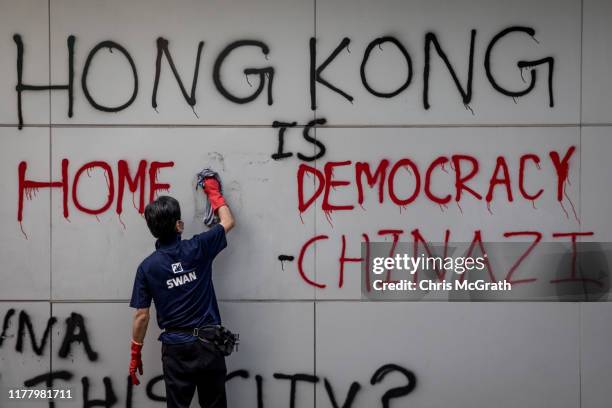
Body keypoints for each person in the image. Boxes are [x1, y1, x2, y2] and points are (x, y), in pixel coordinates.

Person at [128, 176, 235, 408]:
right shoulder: (198, 247)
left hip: (176, 351)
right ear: (179, 225)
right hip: (209, 345)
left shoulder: (147, 267)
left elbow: (142, 316)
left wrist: (135, 354)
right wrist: (212, 190)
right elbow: (227, 221)